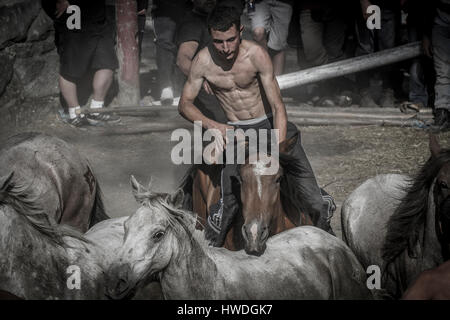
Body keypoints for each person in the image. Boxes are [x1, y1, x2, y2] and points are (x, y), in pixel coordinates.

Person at [179, 6, 334, 246]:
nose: (226, 48)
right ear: (211, 36)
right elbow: (184, 104)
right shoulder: (202, 62)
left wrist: (279, 145)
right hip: (237, 132)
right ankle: (213, 253)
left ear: (240, 31)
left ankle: (331, 244)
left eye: (231, 39)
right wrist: (214, 126)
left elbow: (278, 107)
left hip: (270, 125)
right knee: (227, 204)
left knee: (313, 201)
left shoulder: (257, 55)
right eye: (219, 42)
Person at [52, 0, 121, 126]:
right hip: (74, 15)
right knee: (71, 67)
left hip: (98, 17)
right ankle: (74, 113)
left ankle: (96, 110)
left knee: (107, 63)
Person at [176, 0, 227, 123]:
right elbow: (182, 59)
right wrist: (203, 79)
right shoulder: (192, 24)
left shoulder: (218, 18)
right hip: (206, 90)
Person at [151, 0, 192, 104]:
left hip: (190, 5)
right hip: (165, 8)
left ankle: (179, 90)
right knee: (164, 43)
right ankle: (166, 87)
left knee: (185, 42)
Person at [246, 0, 293, 75]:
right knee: (258, 33)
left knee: (277, 45)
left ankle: (278, 83)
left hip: (284, 2)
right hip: (257, 2)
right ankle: (264, 76)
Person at [424, 0, 450, 131]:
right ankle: (442, 111)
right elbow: (428, 6)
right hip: (440, 23)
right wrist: (426, 35)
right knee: (442, 71)